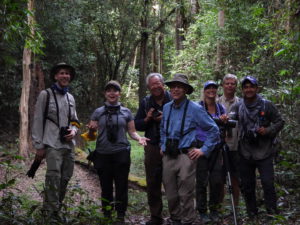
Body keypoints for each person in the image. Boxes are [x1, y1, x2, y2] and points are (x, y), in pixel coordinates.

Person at [85, 80, 148, 224]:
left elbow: (132, 132)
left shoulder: (126, 112)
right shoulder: (98, 112)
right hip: (102, 154)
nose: (112, 93)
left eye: (115, 90)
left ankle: (120, 215)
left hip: (121, 153)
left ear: (119, 93)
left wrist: (139, 138)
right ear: (105, 94)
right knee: (105, 185)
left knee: (121, 185)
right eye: (109, 90)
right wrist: (90, 129)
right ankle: (107, 213)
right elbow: (90, 136)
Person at [160, 74, 219, 225]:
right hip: (168, 155)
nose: (176, 89)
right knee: (170, 193)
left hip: (186, 155)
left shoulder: (195, 109)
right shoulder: (166, 108)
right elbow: (163, 129)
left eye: (179, 86)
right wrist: (162, 145)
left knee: (185, 193)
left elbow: (213, 130)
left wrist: (203, 150)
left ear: (186, 89)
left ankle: (188, 220)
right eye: (173, 86)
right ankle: (175, 219)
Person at [230, 76, 284, 218]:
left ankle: (271, 212)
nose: (249, 89)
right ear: (242, 90)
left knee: (267, 183)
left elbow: (279, 121)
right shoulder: (238, 105)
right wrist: (225, 119)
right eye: (246, 87)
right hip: (245, 151)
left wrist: (267, 131)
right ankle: (251, 212)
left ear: (257, 88)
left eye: (251, 87)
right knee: (247, 185)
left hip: (264, 150)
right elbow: (231, 119)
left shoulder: (267, 105)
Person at [32, 62, 80, 217]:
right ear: (55, 76)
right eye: (62, 73)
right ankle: (50, 212)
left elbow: (75, 120)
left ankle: (55, 208)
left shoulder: (70, 97)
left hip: (68, 144)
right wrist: (39, 145)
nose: (65, 76)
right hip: (52, 143)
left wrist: (73, 131)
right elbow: (38, 120)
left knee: (65, 177)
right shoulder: (46, 94)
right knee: (53, 177)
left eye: (67, 73)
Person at [134, 73, 172, 225]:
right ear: (149, 87)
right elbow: (137, 125)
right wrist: (147, 118)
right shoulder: (145, 102)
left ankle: (175, 215)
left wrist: (166, 118)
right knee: (153, 182)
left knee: (172, 182)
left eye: (158, 83)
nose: (156, 87)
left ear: (163, 84)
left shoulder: (173, 99)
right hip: (152, 146)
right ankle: (156, 217)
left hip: (171, 146)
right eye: (152, 85)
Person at [195, 81, 226, 223]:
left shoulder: (221, 108)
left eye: (214, 88)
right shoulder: (198, 107)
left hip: (216, 147)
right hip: (201, 146)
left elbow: (225, 128)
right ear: (204, 90)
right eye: (208, 88)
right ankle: (202, 211)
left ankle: (214, 209)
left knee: (216, 180)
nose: (211, 90)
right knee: (201, 180)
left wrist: (224, 121)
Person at [217, 74, 241, 209]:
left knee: (235, 178)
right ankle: (218, 207)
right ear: (223, 85)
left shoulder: (241, 103)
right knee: (219, 179)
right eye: (227, 83)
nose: (230, 86)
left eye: (233, 83)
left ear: (236, 86)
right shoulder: (216, 102)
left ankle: (235, 207)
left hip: (236, 147)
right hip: (220, 147)